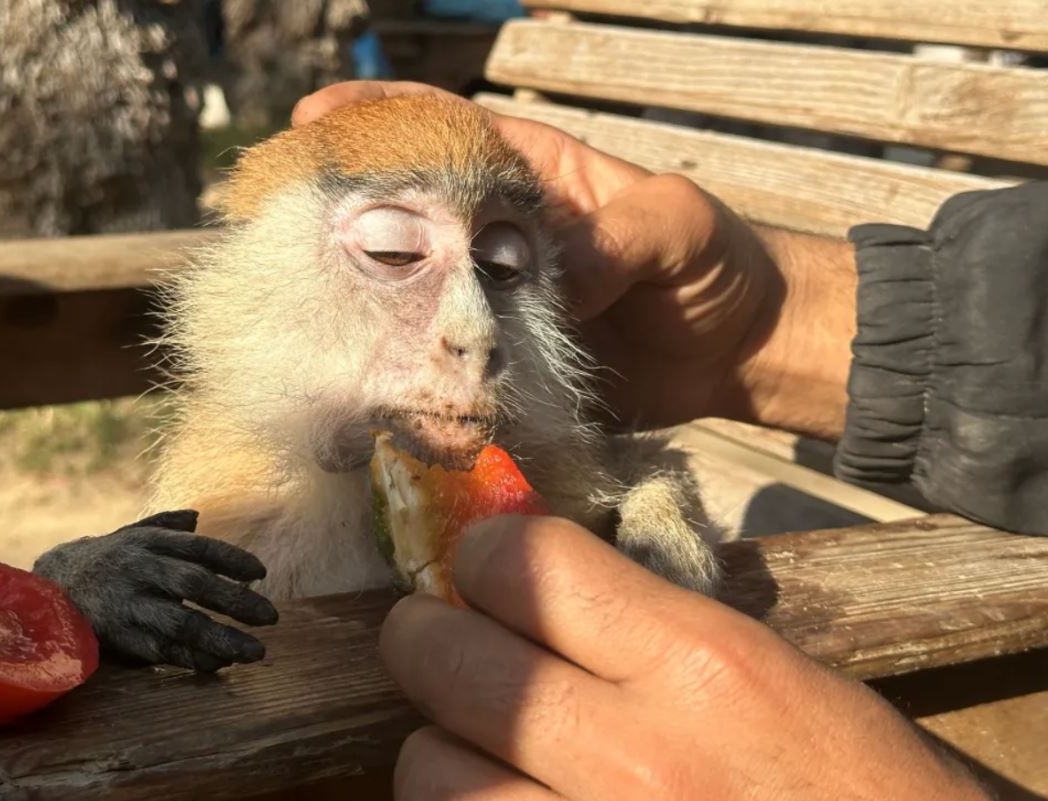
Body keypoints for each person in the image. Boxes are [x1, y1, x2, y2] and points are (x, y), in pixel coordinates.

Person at [293, 80, 1048, 800]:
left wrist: (647, 482)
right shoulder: (220, 482)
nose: (475, 333)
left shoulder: (562, 457)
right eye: (393, 250)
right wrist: (765, 328)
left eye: (503, 264)